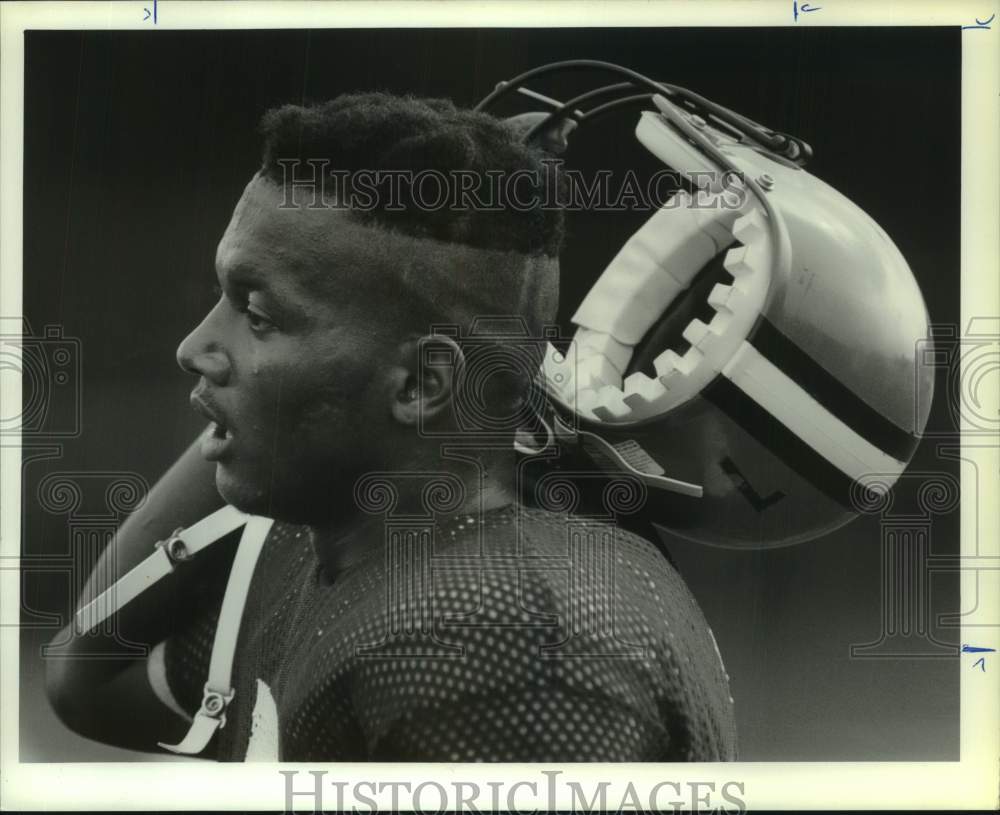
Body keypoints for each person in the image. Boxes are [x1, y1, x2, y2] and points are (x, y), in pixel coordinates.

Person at [45, 92, 738, 761]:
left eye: (256, 316)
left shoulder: (506, 640)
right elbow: (88, 676)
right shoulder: (319, 548)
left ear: (422, 383)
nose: (193, 347)